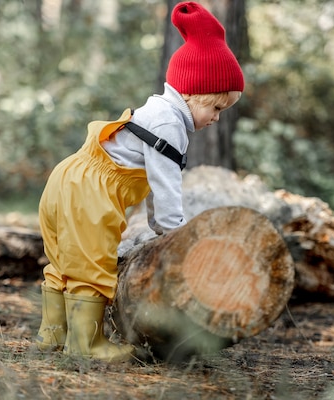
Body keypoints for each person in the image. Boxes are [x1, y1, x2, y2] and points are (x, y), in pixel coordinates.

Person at [34, 1, 244, 362]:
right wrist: (177, 235)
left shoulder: (159, 112)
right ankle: (87, 344)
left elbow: (151, 175)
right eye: (216, 108)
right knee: (93, 265)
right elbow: (165, 186)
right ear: (196, 92)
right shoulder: (170, 126)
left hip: (67, 179)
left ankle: (53, 335)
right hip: (89, 193)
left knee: (66, 262)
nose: (216, 119)